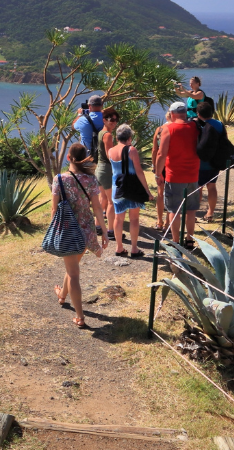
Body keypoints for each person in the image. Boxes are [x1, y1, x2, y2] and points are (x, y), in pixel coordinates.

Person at [50, 143, 108, 328]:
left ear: (68, 158)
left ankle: (80, 317)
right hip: (86, 230)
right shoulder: (90, 180)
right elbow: (97, 207)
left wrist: (54, 229)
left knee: (73, 272)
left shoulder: (59, 179)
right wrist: (104, 231)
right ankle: (62, 296)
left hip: (67, 230)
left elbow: (54, 208)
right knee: (72, 268)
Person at [155, 102, 200, 244]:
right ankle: (189, 240)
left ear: (172, 113)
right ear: (185, 113)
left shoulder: (168, 129)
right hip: (193, 174)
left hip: (174, 175)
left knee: (174, 209)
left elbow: (161, 154)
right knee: (191, 209)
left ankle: (175, 241)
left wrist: (157, 174)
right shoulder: (194, 127)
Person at [107, 124, 150, 257]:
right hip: (132, 188)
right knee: (134, 219)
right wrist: (147, 191)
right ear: (130, 137)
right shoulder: (132, 150)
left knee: (118, 219)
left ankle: (119, 247)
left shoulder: (110, 151)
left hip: (117, 188)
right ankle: (134, 249)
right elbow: (139, 172)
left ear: (117, 137)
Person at [193, 101, 225, 222]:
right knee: (212, 187)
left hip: (200, 162)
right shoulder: (219, 124)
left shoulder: (197, 124)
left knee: (198, 188)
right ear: (212, 113)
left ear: (198, 113)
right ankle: (210, 213)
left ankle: (194, 214)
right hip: (214, 161)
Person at [94, 108, 121, 241]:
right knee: (111, 201)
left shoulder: (101, 132)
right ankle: (111, 231)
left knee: (102, 199)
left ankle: (97, 226)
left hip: (99, 169)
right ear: (104, 120)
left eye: (116, 120)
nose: (114, 122)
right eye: (112, 120)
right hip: (107, 170)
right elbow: (110, 155)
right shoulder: (108, 135)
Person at [151, 111, 172, 230]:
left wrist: (154, 166)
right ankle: (167, 223)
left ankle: (159, 221)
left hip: (160, 164)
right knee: (171, 194)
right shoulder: (174, 129)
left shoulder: (160, 129)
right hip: (171, 164)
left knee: (160, 193)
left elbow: (155, 149)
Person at [73, 95, 105, 159]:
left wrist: (79, 114)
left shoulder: (82, 120)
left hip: (86, 156)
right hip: (103, 155)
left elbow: (73, 126)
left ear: (89, 106)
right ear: (102, 105)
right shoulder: (107, 118)